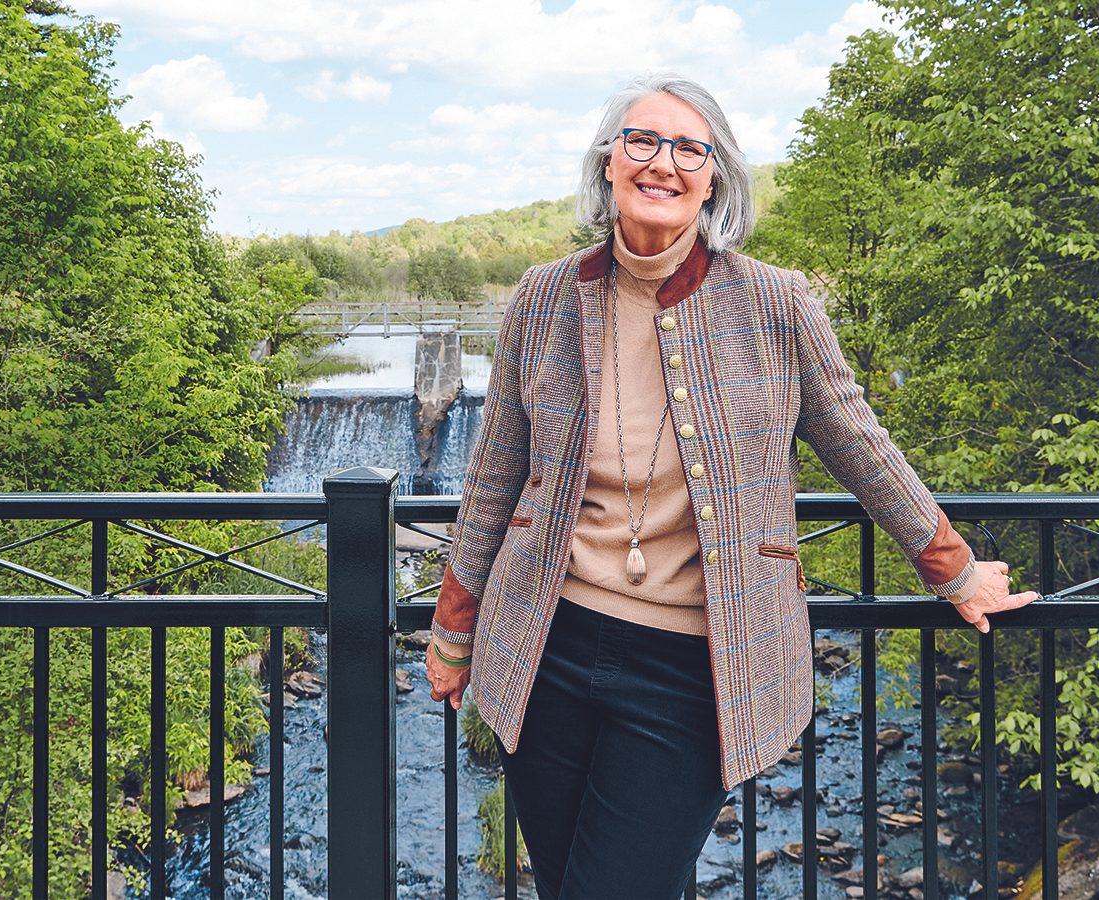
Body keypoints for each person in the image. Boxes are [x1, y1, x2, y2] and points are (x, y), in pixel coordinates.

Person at [424, 72, 1037, 900]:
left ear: (715, 177)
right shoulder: (543, 296)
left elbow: (859, 442)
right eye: (642, 140)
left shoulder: (775, 303)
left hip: (693, 667)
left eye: (689, 148)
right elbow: (494, 474)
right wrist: (454, 630)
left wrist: (951, 566)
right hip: (545, 647)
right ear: (608, 162)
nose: (662, 162)